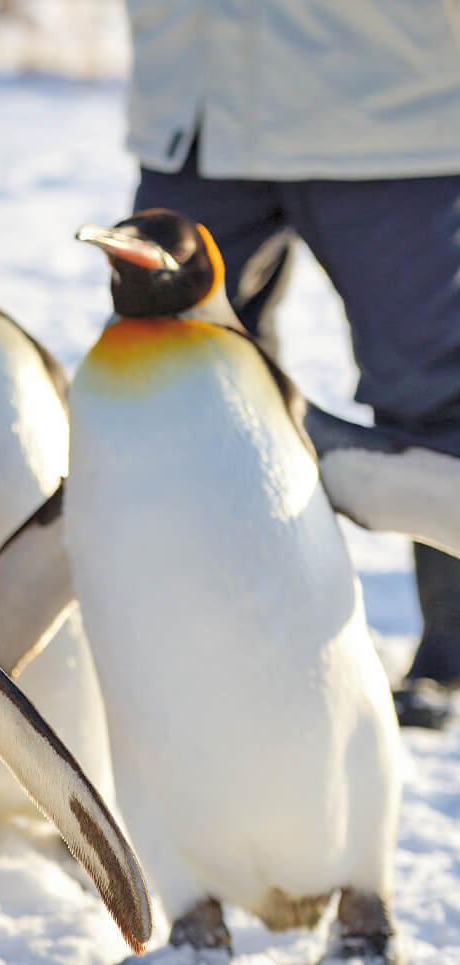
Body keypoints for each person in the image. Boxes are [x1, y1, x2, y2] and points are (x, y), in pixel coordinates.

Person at [123, 1, 460, 727]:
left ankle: (454, 654)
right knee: (176, 384)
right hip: (193, 107)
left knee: (435, 388)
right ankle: (230, 628)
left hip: (386, 107)